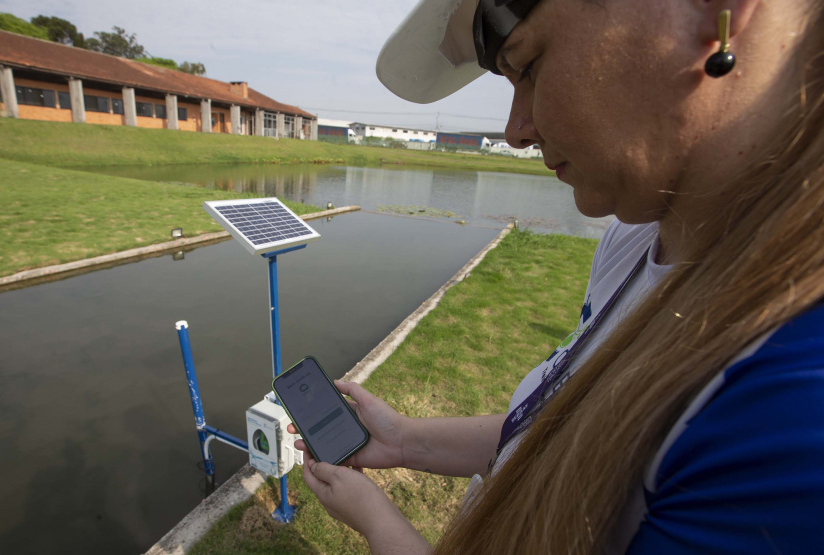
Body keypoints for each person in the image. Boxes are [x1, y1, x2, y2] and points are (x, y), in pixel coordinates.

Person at [289, 0, 824, 553]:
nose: (516, 130)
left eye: (528, 65)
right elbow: (560, 429)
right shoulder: (634, 242)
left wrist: (380, 524)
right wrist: (405, 441)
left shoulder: (797, 415)